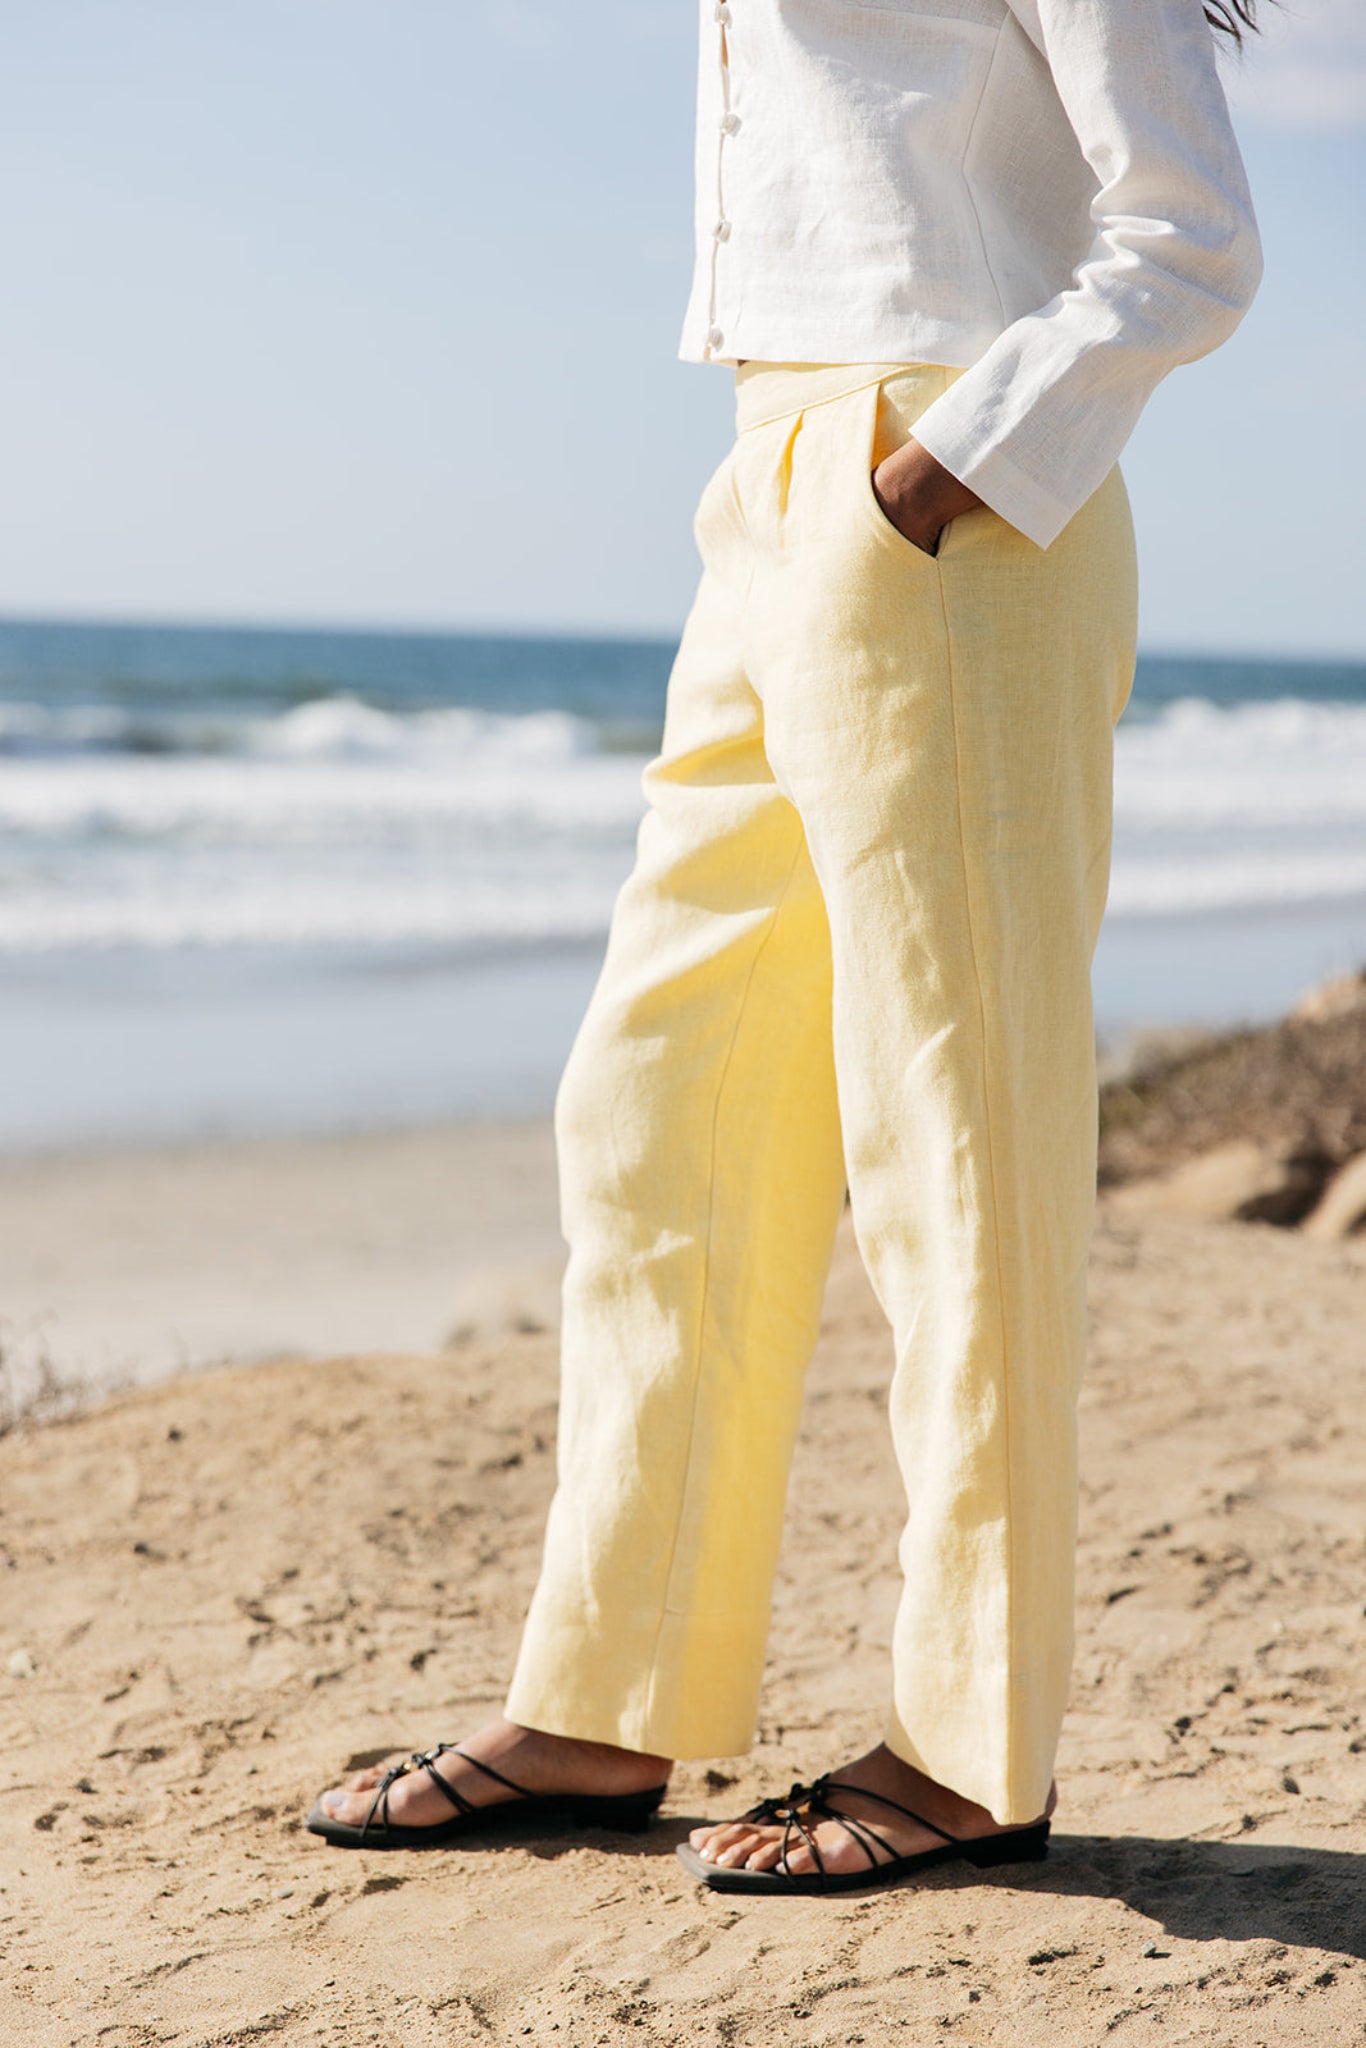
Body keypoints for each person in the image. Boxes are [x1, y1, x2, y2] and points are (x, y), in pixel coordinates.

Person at [308, 0, 1263, 1893]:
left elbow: (1192, 230)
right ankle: (608, 1693)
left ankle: (974, 1748)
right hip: (768, 474)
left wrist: (948, 466)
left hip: (947, 476)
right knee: (660, 1104)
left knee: (954, 1142)